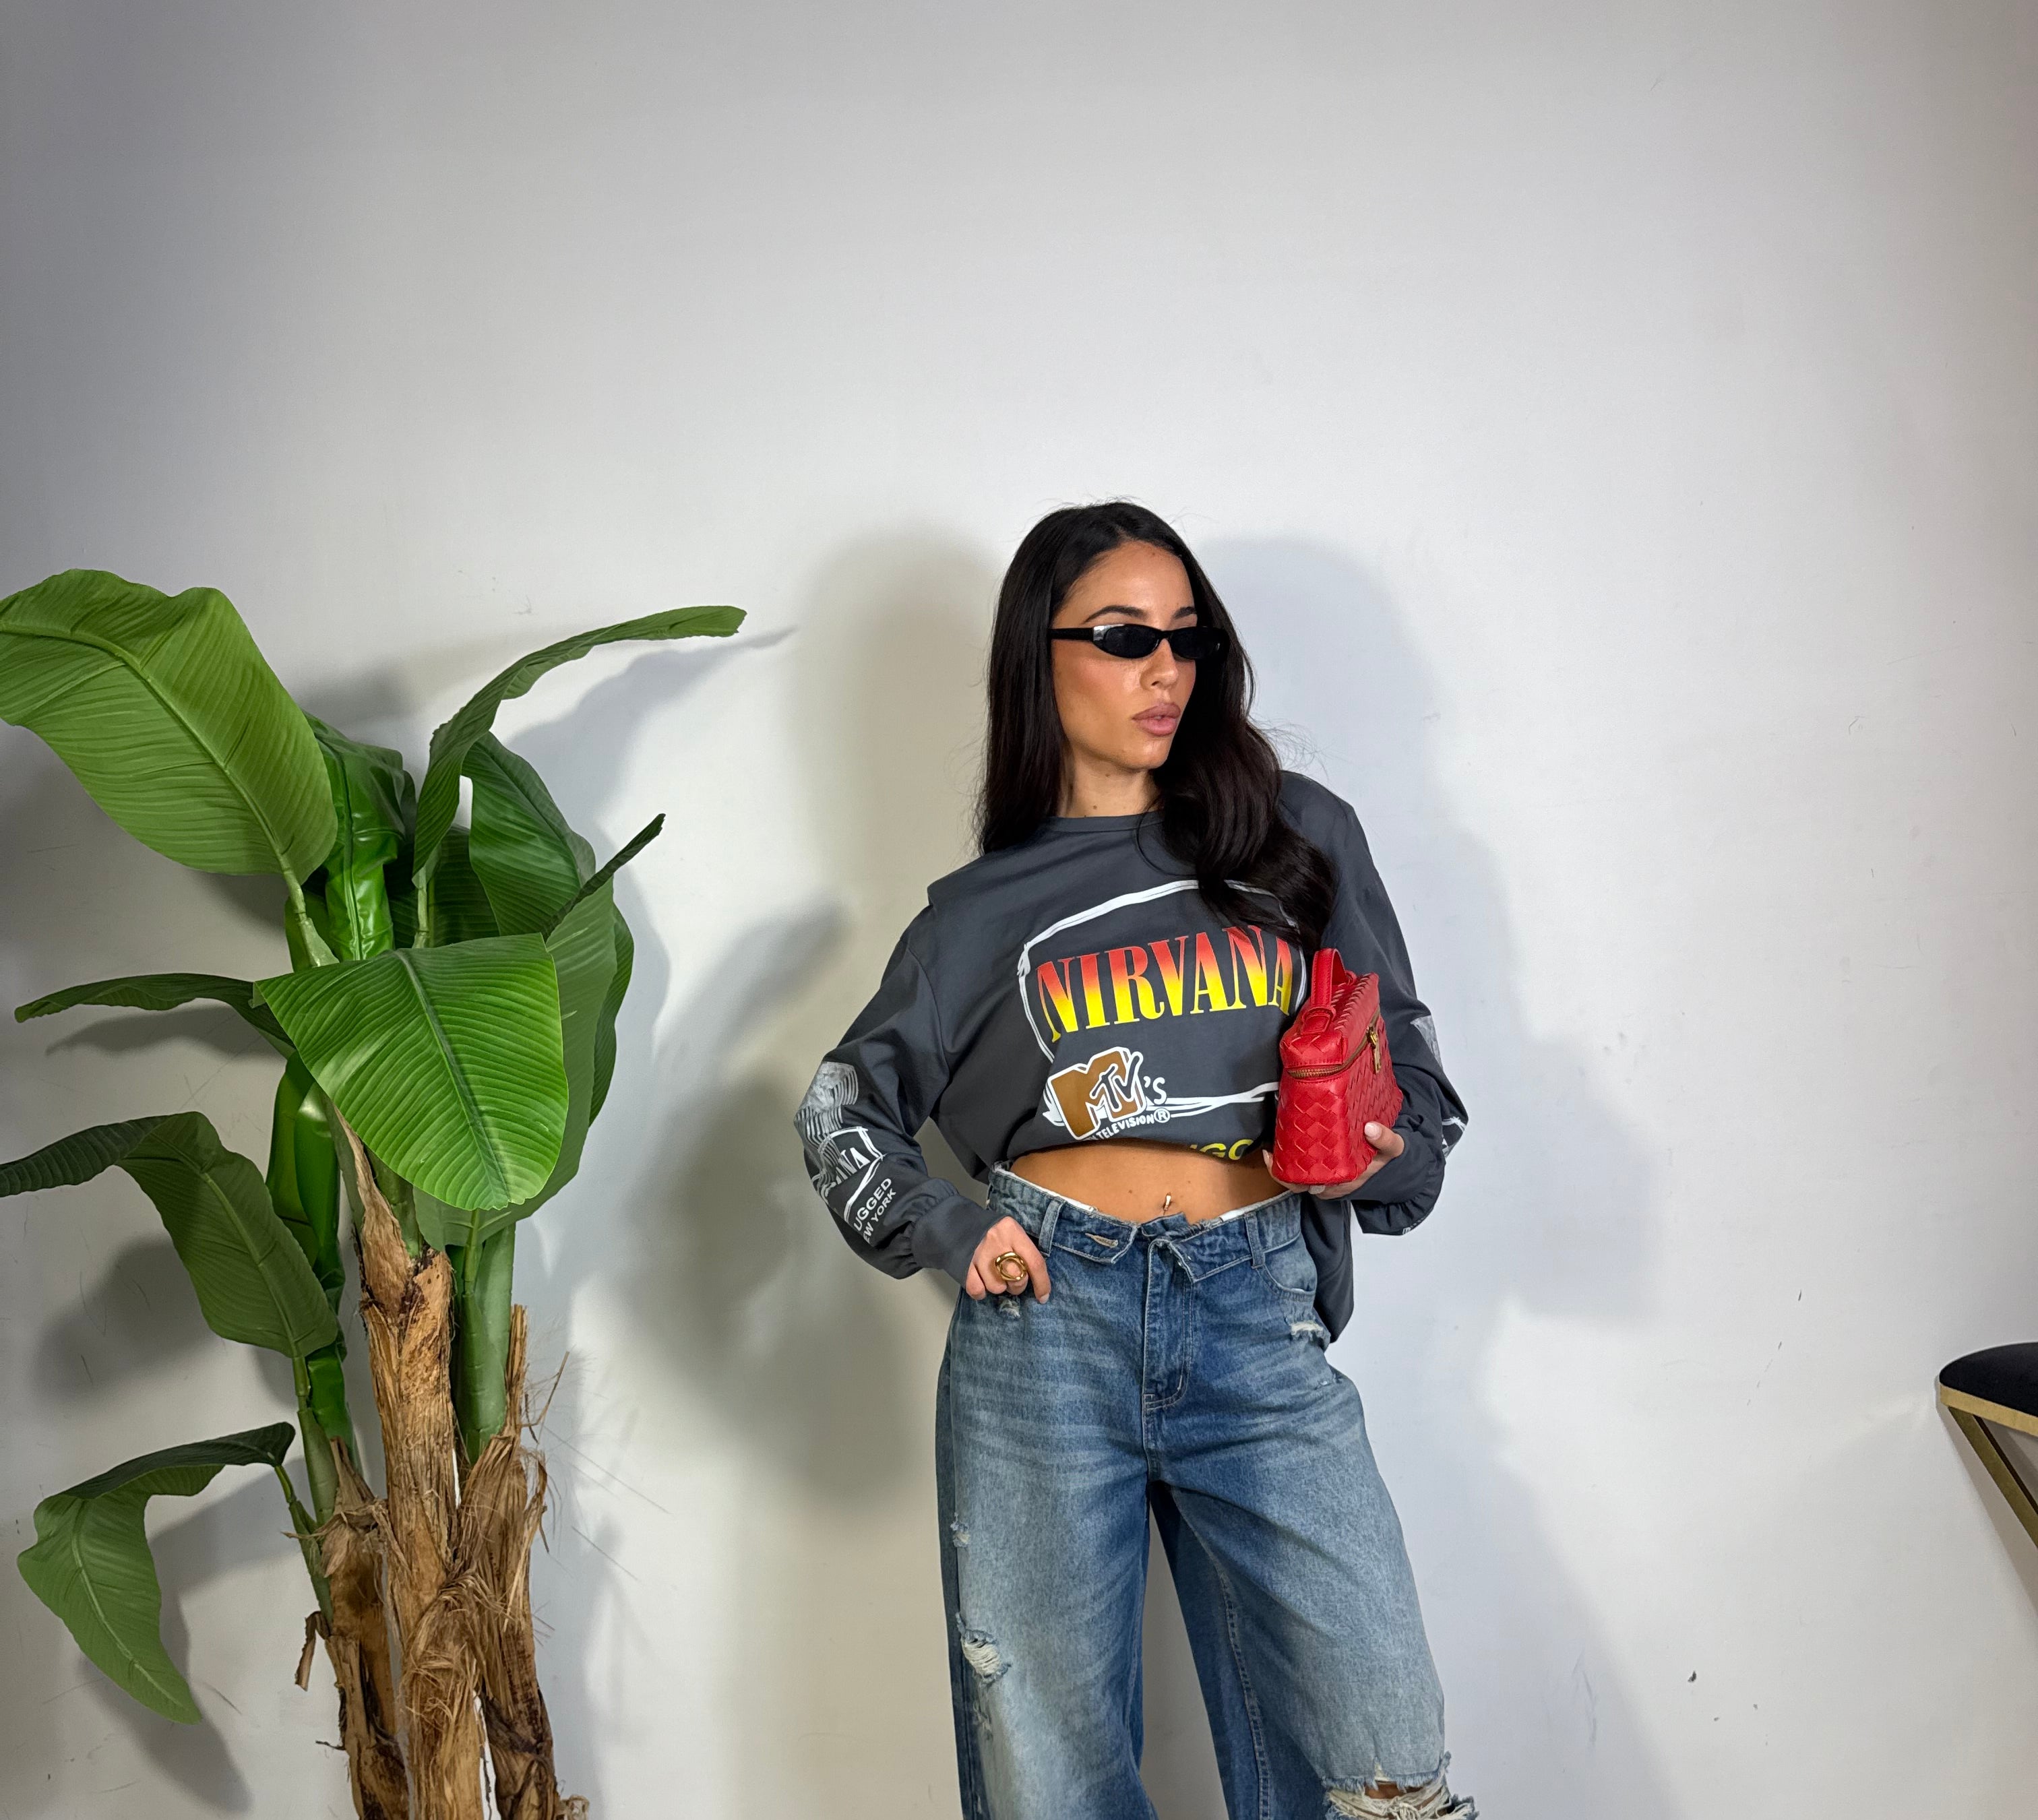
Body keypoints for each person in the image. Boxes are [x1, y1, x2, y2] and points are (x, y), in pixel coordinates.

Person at [795, 501, 1476, 1820]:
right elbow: (841, 1108)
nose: (1166, 670)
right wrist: (948, 1228)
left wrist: (1367, 1158)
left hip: (1257, 1313)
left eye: (1187, 638)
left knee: (1383, 1754)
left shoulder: (1300, 840)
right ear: (1037, 658)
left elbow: (1420, 1106)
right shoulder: (974, 918)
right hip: (1045, 1329)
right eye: (1123, 638)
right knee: (1051, 1778)